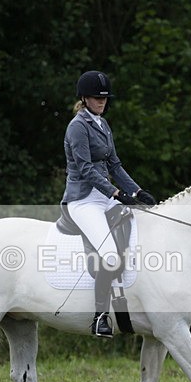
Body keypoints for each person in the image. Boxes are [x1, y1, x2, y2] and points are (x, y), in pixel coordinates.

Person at [62, 70, 156, 337]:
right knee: (111, 255)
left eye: (104, 98)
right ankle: (100, 316)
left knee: (140, 231)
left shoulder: (102, 124)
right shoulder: (77, 126)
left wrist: (137, 192)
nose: (101, 102)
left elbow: (114, 164)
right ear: (84, 98)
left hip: (103, 197)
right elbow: (86, 168)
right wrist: (116, 193)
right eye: (96, 98)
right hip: (82, 200)